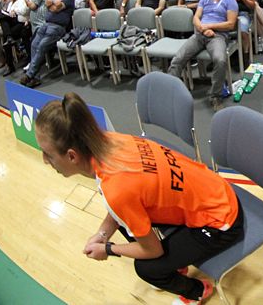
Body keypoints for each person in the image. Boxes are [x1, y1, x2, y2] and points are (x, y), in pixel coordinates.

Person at [33, 92, 242, 305]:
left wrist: (107, 249)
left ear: (71, 156)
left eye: (48, 154)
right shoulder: (108, 141)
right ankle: (175, 265)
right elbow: (121, 208)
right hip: (214, 190)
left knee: (147, 269)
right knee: (127, 225)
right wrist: (102, 234)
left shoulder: (115, 187)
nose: (44, 160)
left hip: (222, 221)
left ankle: (197, 292)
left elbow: (152, 249)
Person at [169, 0, 238, 111]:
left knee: (220, 60)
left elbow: (231, 24)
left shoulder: (230, 1)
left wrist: (209, 26)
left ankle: (215, 96)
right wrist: (202, 28)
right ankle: (171, 91)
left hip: (217, 36)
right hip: (200, 34)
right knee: (178, 58)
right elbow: (196, 17)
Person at [21, 0, 75, 88]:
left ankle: (30, 74)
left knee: (41, 46)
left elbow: (56, 6)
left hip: (58, 28)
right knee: (34, 44)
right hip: (46, 24)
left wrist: (53, 4)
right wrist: (53, 3)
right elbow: (48, 5)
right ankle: (35, 78)